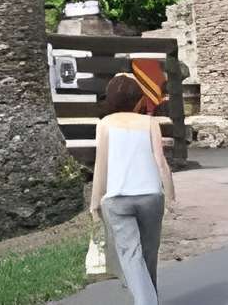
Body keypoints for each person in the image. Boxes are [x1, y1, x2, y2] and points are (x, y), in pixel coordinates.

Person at [88, 72, 176, 305]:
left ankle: (146, 302)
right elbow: (161, 162)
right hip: (151, 197)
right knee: (149, 255)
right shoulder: (150, 123)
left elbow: (101, 166)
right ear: (138, 101)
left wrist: (94, 202)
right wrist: (171, 196)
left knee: (130, 254)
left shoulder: (105, 124)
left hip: (117, 199)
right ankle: (150, 299)